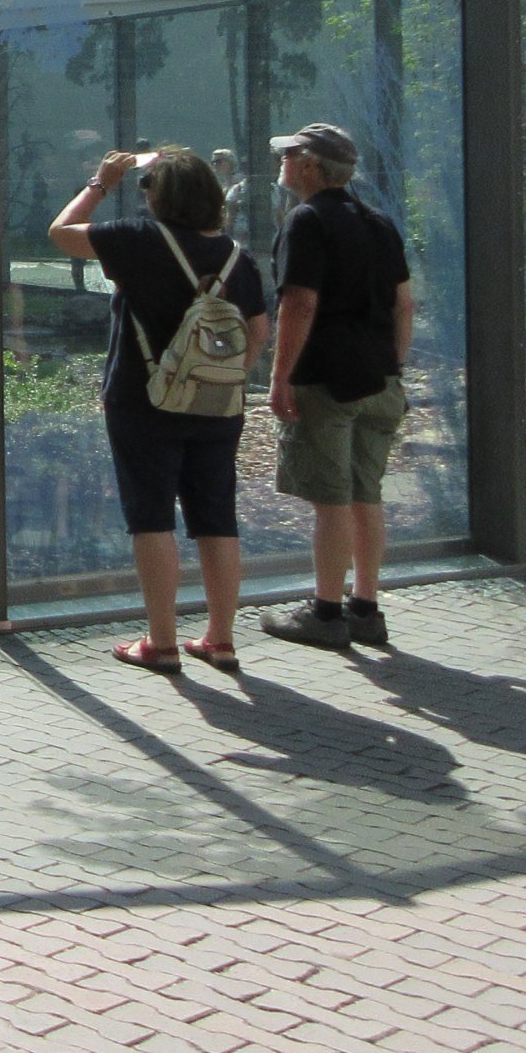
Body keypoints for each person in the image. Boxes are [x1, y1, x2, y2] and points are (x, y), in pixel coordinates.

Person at [49, 148, 270, 674]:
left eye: (148, 187)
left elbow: (63, 231)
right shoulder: (237, 258)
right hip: (219, 405)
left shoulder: (138, 239)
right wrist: (223, 378)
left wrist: (101, 182)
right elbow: (258, 332)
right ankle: (220, 639)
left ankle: (162, 642)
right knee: (216, 518)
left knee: (151, 518)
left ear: (157, 197)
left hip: (142, 399)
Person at [256, 122, 414, 653]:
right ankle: (365, 608)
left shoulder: (306, 220)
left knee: (331, 500)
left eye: (288, 153)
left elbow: (298, 302)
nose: (281, 161)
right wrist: (393, 364)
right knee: (366, 494)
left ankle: (325, 614)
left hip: (327, 378)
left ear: (308, 164)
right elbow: (404, 304)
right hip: (379, 377)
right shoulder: (378, 222)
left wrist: (281, 377)